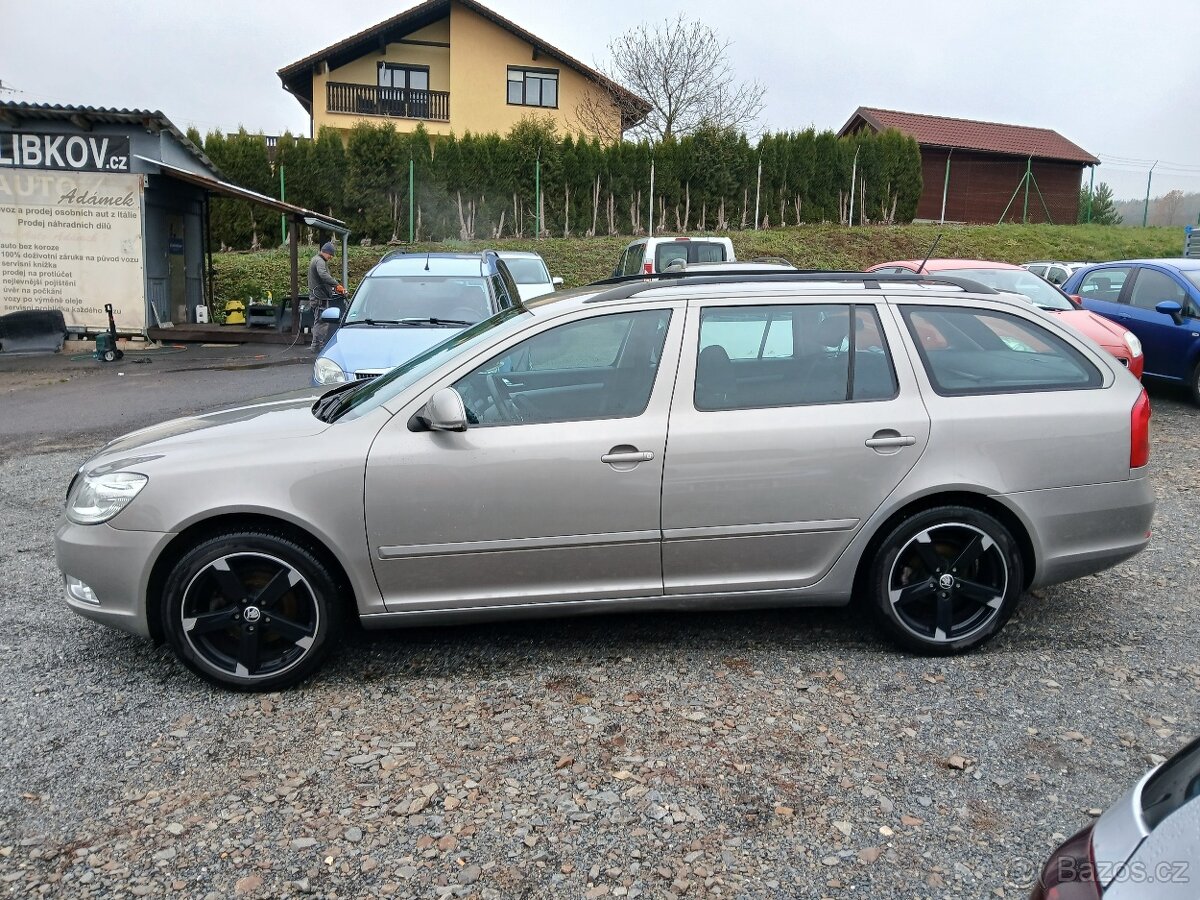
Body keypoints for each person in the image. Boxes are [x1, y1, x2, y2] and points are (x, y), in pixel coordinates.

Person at [307, 241, 346, 350]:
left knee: (318, 321)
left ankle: (315, 345)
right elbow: (323, 274)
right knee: (322, 322)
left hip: (316, 296)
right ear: (326, 252)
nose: (331, 257)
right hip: (320, 297)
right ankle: (320, 346)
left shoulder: (315, 259)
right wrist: (336, 285)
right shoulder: (320, 261)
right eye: (330, 254)